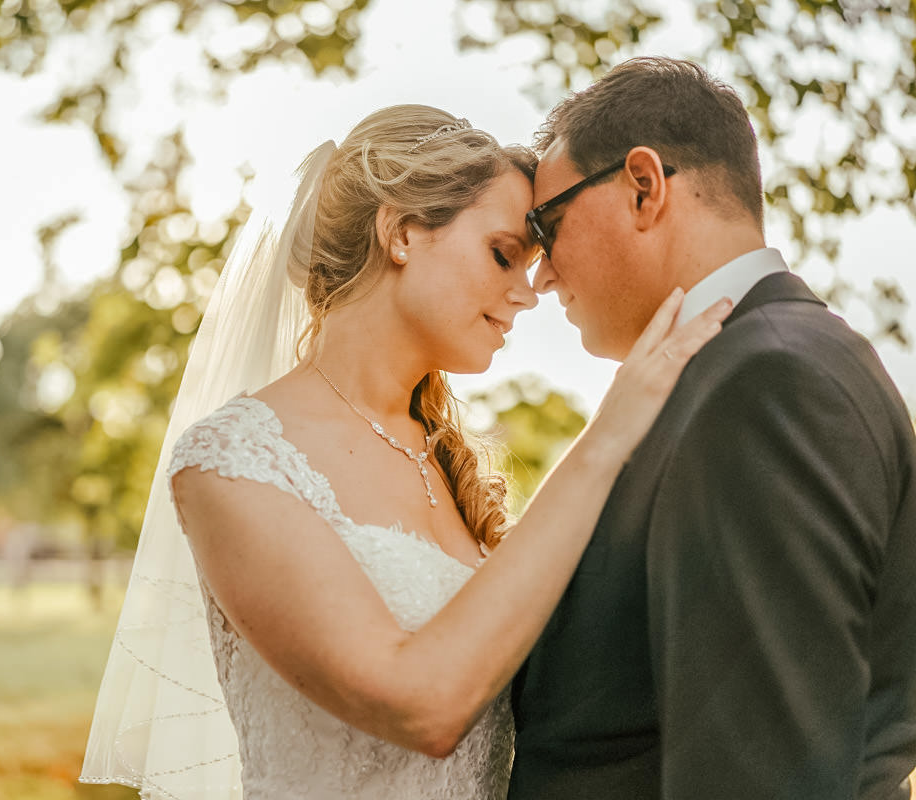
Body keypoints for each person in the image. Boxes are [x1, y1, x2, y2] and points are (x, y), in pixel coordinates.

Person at [80, 104, 730, 799]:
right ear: (401, 233)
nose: (526, 294)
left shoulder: (448, 465)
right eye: (503, 254)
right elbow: (422, 705)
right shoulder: (232, 460)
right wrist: (607, 438)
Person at [510, 56, 916, 800]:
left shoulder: (770, 384)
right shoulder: (751, 368)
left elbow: (763, 771)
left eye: (548, 224)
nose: (539, 275)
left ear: (643, 186)